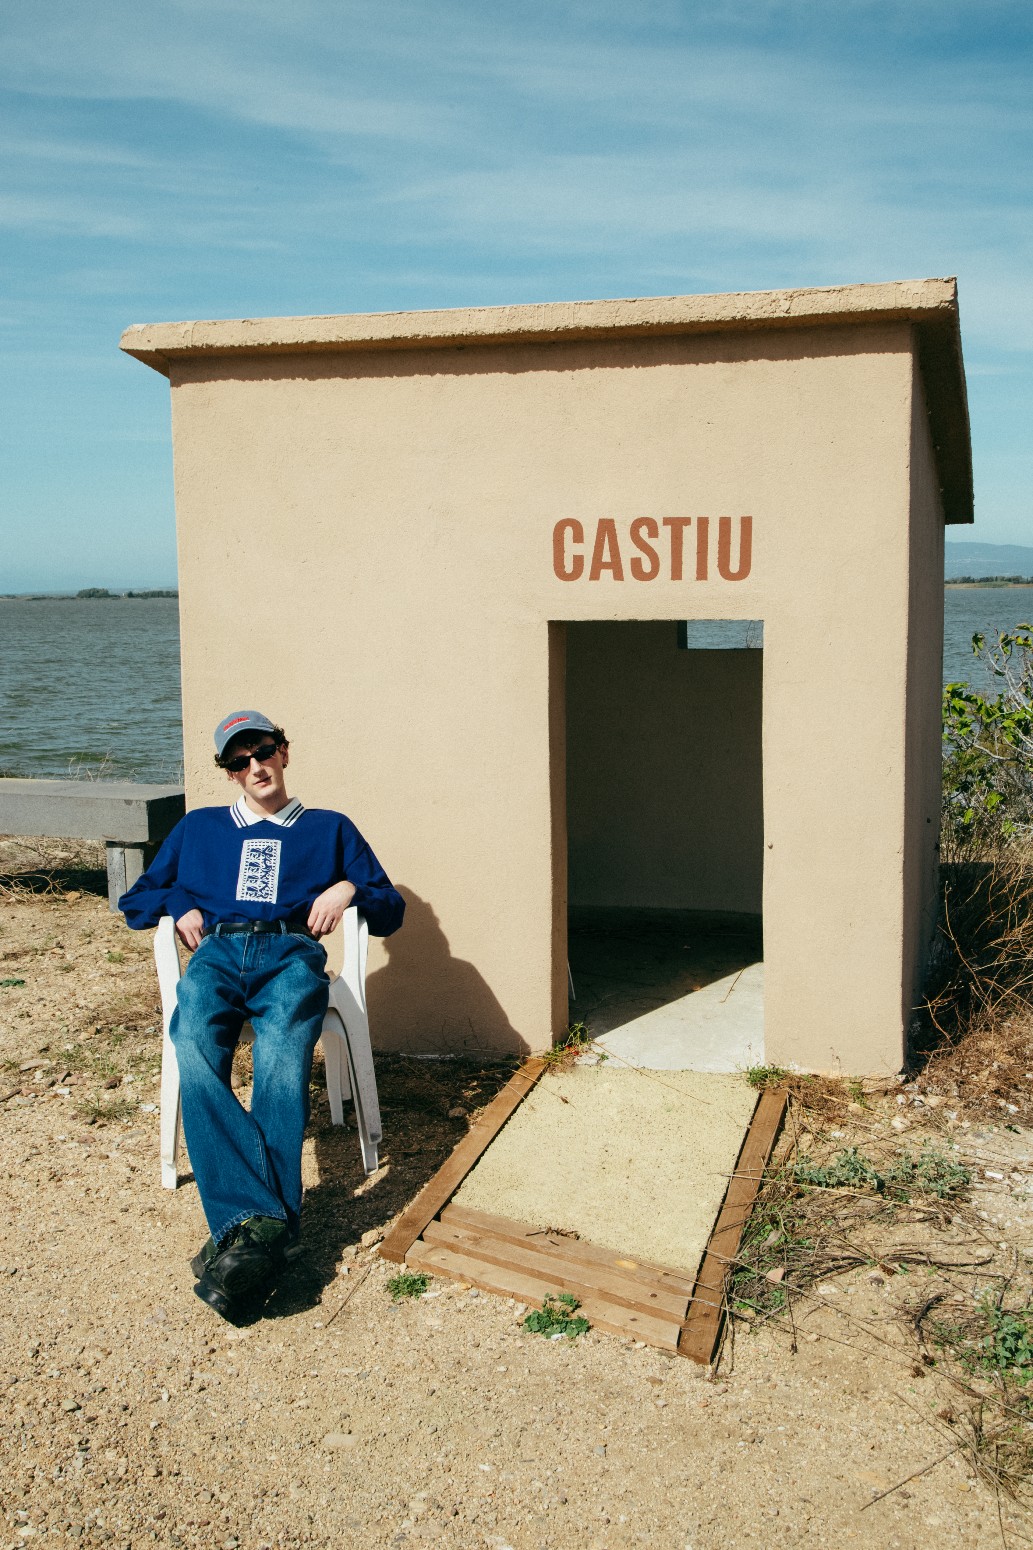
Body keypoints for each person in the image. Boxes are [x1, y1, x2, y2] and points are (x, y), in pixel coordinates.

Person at [119, 710, 405, 1317]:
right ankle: (268, 1229)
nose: (255, 767)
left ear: (284, 752)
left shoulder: (329, 828)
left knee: (279, 1065)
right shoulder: (199, 829)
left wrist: (349, 888)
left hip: (290, 954)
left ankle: (246, 1235)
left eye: (264, 752)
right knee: (194, 1049)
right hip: (217, 953)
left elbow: (390, 904)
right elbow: (138, 898)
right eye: (239, 760)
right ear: (228, 772)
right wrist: (180, 901)